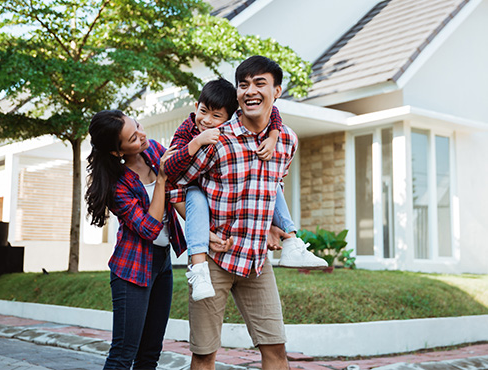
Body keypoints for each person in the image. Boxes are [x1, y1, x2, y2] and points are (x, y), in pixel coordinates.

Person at [168, 55, 300, 370]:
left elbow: (273, 184)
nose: (250, 91)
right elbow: (174, 182)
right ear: (237, 93)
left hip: (256, 260)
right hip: (214, 259)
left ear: (277, 91)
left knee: (276, 351)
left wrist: (270, 224)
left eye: (260, 83)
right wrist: (202, 232)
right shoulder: (217, 139)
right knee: (204, 355)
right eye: (244, 85)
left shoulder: (286, 141)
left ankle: (296, 242)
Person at [165, 78, 326, 302]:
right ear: (196, 107)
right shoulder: (189, 128)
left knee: (273, 182)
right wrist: (197, 141)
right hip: (193, 190)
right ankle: (199, 269)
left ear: (230, 117)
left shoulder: (231, 132)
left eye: (216, 116)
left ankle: (291, 241)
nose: (207, 120)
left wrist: (273, 135)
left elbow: (275, 113)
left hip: (238, 230)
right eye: (204, 112)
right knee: (198, 199)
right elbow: (169, 171)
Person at [84, 109, 186, 370]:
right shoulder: (118, 186)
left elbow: (182, 162)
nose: (142, 136)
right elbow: (150, 228)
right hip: (132, 270)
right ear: (117, 152)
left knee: (151, 352)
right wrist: (162, 179)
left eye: (137, 126)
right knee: (123, 353)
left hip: (162, 263)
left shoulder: (151, 150)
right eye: (132, 138)